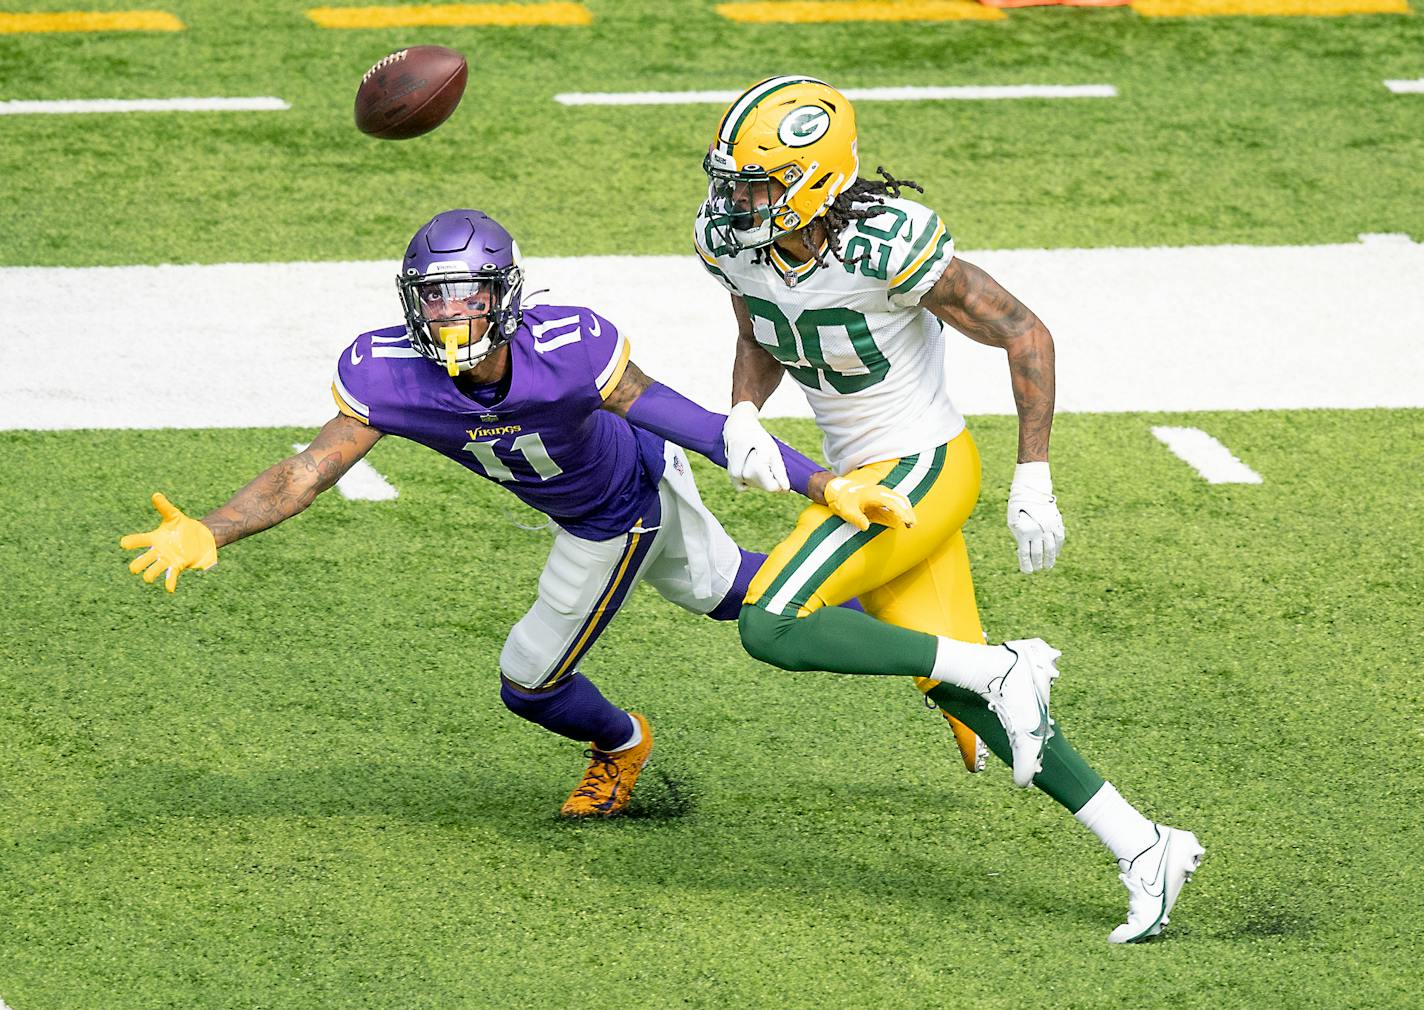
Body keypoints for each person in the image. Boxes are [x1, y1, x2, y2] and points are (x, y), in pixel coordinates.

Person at [119, 208, 916, 820]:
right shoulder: (387, 374)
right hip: (611, 490)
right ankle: (905, 617)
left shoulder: (567, 346)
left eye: (469, 299)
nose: (452, 318)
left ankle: (622, 746)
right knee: (733, 594)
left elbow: (694, 422)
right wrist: (213, 526)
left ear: (505, 297)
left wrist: (822, 485)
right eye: (435, 301)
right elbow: (307, 470)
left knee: (530, 683)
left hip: (616, 507)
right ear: (411, 305)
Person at [692, 76, 1203, 942]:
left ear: (817, 179)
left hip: (923, 465)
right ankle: (1145, 843)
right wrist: (745, 409)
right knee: (966, 697)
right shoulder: (734, 243)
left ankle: (1006, 668)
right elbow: (762, 330)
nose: (736, 202)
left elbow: (1025, 331)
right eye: (733, 181)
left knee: (772, 622)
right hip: (867, 477)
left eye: (759, 184)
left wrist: (1031, 474)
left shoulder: (886, 247)